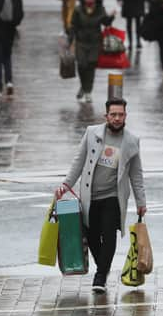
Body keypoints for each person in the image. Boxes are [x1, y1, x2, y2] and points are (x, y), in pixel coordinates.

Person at [54, 98, 147, 293]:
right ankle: (102, 267)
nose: (117, 118)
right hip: (90, 195)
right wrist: (65, 184)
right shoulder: (92, 133)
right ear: (106, 116)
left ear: (125, 116)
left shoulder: (131, 141)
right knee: (92, 235)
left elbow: (136, 174)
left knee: (109, 235)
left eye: (120, 115)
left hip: (113, 196)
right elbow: (78, 162)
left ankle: (100, 276)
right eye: (113, 114)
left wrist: (141, 201)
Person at [70, 0, 115, 103]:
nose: (89, 0)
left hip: (95, 42)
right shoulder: (78, 10)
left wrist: (111, 17)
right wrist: (70, 40)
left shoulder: (100, 9)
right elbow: (73, 25)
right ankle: (83, 86)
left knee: (91, 65)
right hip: (81, 41)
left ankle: (88, 91)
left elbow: (106, 23)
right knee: (81, 65)